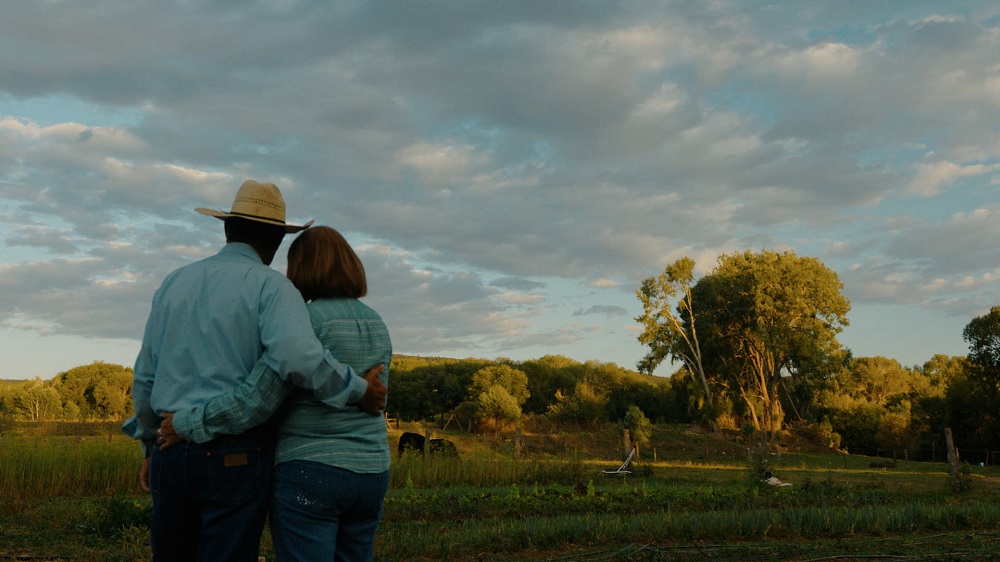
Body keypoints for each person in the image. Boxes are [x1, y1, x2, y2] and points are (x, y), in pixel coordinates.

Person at [122, 180, 386, 562]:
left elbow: (145, 375)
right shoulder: (273, 287)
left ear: (227, 228)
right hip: (236, 453)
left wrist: (150, 443)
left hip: (169, 446)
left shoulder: (173, 283)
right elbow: (297, 357)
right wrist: (358, 390)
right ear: (277, 240)